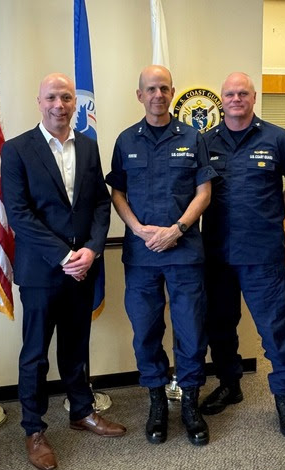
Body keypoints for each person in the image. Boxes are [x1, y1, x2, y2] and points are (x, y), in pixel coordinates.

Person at [2, 73, 125, 470]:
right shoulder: (17, 149)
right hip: (41, 272)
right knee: (35, 354)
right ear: (39, 101)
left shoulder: (88, 147)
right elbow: (19, 213)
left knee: (76, 346)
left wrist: (90, 249)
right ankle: (34, 429)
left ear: (76, 104)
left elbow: (101, 205)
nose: (60, 104)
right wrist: (63, 255)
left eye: (67, 97)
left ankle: (81, 411)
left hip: (82, 270)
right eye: (52, 97)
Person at [106, 65, 217, 446]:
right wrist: (137, 228)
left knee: (190, 330)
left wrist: (177, 230)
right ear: (139, 95)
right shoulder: (125, 141)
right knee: (146, 331)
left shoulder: (192, 136)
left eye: (164, 88)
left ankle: (189, 403)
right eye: (150, 89)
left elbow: (204, 192)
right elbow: (117, 192)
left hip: (183, 252)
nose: (157, 94)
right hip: (141, 255)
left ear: (172, 93)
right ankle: (156, 401)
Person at [199, 72, 285, 439]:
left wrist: (273, 208)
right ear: (221, 99)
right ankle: (230, 384)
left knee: (275, 328)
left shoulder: (279, 139)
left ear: (253, 97)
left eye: (242, 93)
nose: (236, 98)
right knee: (220, 325)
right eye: (229, 93)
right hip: (216, 252)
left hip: (262, 254)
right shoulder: (204, 142)